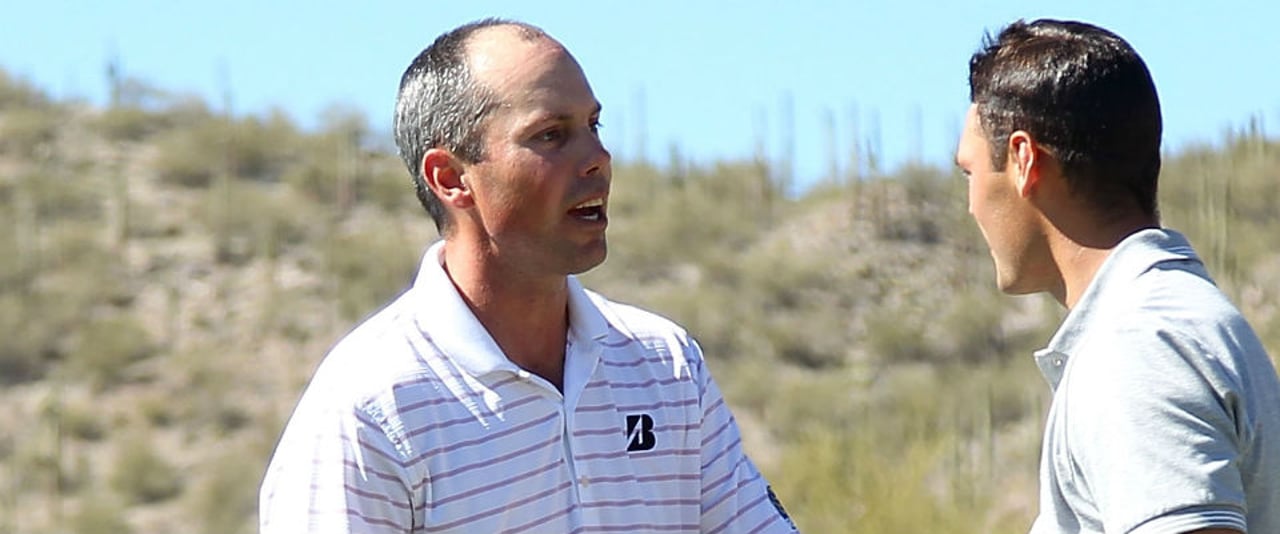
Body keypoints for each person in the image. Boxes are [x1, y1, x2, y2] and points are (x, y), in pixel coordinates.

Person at [259, 18, 797, 533]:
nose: (598, 158)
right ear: (450, 178)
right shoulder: (371, 406)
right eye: (551, 136)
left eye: (593, 126)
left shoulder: (665, 365)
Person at [956, 18, 1280, 534]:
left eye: (970, 173)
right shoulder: (1183, 322)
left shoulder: (1137, 346)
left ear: (1023, 159)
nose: (971, 205)